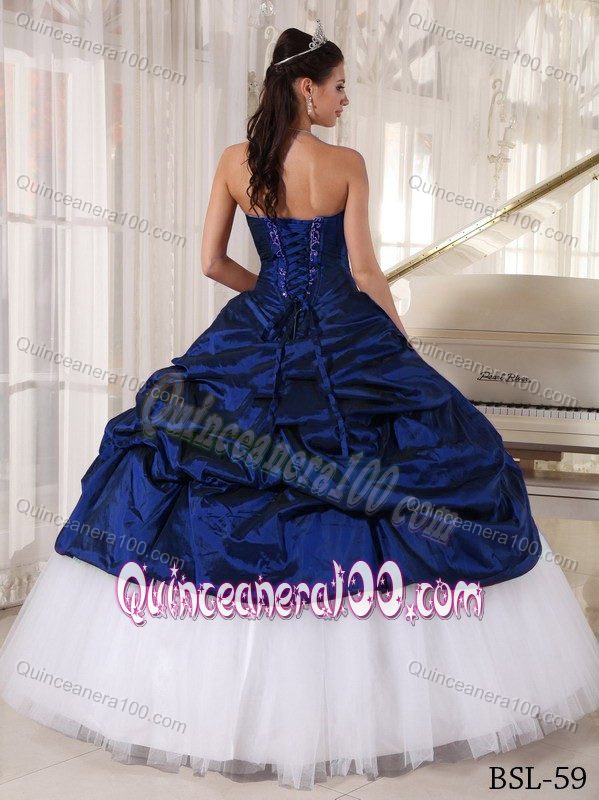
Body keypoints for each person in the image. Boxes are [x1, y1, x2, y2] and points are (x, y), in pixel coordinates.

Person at [1, 20, 598, 793]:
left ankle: (218, 702)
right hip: (346, 333)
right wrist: (396, 345)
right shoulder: (344, 165)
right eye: (340, 87)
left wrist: (270, 302)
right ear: (305, 88)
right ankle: (383, 697)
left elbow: (212, 263)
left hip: (259, 325)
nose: (347, 100)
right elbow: (364, 271)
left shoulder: (235, 161)